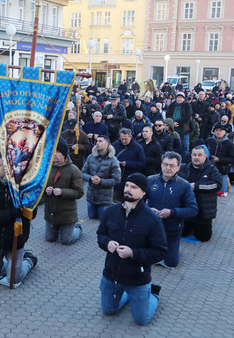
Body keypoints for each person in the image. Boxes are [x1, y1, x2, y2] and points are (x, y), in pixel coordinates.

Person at [97, 173, 167, 326]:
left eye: (134, 187)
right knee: (108, 311)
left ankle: (153, 295)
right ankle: (128, 296)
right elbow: (101, 235)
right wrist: (106, 242)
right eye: (127, 185)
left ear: (143, 193)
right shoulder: (111, 211)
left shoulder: (152, 219)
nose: (128, 190)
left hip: (137, 279)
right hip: (112, 275)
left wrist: (133, 253)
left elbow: (160, 251)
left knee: (141, 320)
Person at [0, 153, 37, 287]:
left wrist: (25, 208)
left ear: (9, 168)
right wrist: (11, 214)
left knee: (14, 278)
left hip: (15, 241)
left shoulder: (23, 188)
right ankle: (9, 262)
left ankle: (28, 260)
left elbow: (32, 214)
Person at [146, 152, 198, 268]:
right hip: (151, 228)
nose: (168, 168)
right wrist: (149, 209)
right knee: (146, 258)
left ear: (178, 167)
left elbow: (193, 209)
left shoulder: (184, 185)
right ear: (161, 165)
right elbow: (137, 202)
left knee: (171, 263)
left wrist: (172, 212)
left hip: (172, 229)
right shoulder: (150, 180)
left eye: (172, 165)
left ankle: (174, 250)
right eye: (165, 164)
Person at [44, 139, 85, 244]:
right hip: (51, 213)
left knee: (67, 241)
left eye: (57, 152)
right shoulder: (47, 168)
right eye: (53, 152)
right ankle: (58, 230)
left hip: (67, 215)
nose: (55, 155)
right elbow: (40, 187)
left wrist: (63, 192)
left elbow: (79, 192)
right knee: (50, 239)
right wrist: (45, 190)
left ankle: (78, 227)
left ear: (64, 154)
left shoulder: (74, 170)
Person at [179, 146, 223, 242]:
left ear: (205, 156)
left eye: (199, 155)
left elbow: (218, 184)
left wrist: (196, 186)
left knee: (204, 237)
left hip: (203, 212)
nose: (196, 157)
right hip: (186, 210)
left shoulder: (212, 169)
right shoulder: (183, 168)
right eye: (194, 155)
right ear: (191, 156)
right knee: (182, 233)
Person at [82, 135, 121, 219]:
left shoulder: (113, 160)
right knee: (91, 216)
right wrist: (90, 178)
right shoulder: (90, 157)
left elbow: (116, 180)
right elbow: (83, 173)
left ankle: (113, 209)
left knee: (103, 217)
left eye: (100, 141)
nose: (97, 143)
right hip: (91, 195)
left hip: (105, 197)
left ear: (107, 144)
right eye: (97, 141)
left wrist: (101, 181)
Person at [111, 128, 146, 202]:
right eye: (122, 139)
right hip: (116, 180)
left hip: (130, 180)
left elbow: (142, 163)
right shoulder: (114, 145)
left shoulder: (138, 148)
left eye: (126, 139)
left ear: (130, 137)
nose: (124, 141)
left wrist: (127, 164)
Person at [206, 123, 234, 196]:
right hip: (209, 168)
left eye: (220, 130)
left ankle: (227, 182)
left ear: (224, 132)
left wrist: (219, 160)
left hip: (222, 169)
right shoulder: (209, 141)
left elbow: (233, 158)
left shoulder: (229, 143)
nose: (218, 132)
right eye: (216, 130)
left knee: (221, 193)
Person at [166, 92, 192, 159]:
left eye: (180, 98)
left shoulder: (187, 105)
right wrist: (172, 123)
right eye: (178, 97)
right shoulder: (172, 105)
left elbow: (188, 116)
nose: (179, 99)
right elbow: (168, 114)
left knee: (185, 146)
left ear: (183, 99)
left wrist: (178, 122)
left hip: (184, 129)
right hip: (173, 129)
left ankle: (184, 161)